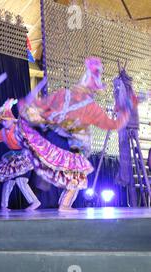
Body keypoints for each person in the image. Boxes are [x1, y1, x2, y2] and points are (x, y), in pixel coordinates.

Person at [19, 57, 131, 212]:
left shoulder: (64, 95)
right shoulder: (89, 106)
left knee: (64, 172)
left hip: (56, 140)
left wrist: (31, 107)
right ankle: (64, 204)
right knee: (77, 177)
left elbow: (41, 107)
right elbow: (113, 125)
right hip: (71, 145)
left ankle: (49, 185)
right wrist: (125, 112)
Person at [0, 98, 40, 212]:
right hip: (12, 157)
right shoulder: (2, 133)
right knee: (9, 181)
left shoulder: (19, 129)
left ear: (12, 120)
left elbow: (32, 139)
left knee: (20, 180)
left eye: (6, 120)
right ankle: (4, 206)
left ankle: (35, 202)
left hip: (24, 156)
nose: (4, 122)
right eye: (2, 120)